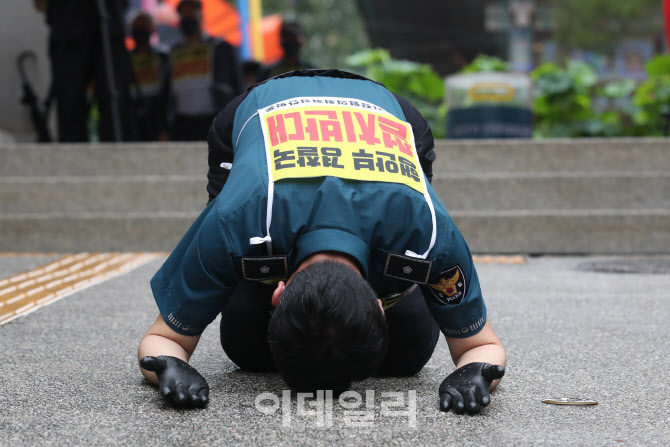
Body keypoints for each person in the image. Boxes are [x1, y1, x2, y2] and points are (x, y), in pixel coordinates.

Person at [138, 69, 506, 415]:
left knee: (407, 354)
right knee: (245, 346)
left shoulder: (426, 230)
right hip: (260, 108)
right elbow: (164, 339)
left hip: (388, 112)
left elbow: (479, 347)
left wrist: (476, 373)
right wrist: (168, 369)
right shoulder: (236, 220)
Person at [34, 0, 135, 142]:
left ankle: (117, 157)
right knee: (69, 101)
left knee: (114, 101)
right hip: (68, 23)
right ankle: (73, 158)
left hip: (109, 22)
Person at [167, 0, 243, 141]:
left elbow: (237, 86)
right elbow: (167, 91)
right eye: (185, 17)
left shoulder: (222, 48)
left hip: (214, 120)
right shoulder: (173, 53)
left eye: (192, 16)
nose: (188, 20)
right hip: (182, 124)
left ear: (201, 17)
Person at [128, 12, 170, 141]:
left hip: (156, 115)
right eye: (137, 28)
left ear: (152, 30)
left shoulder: (162, 56)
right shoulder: (126, 59)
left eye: (144, 28)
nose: (140, 32)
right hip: (132, 117)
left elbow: (167, 91)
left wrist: (164, 127)